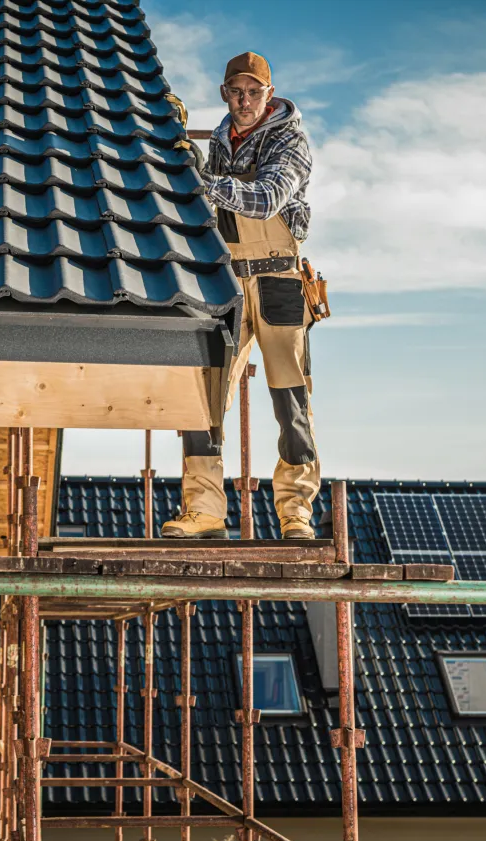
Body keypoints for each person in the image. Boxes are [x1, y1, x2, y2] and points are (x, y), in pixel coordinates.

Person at [162, 52, 318, 540]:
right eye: (236, 91)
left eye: (254, 92)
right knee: (202, 392)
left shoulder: (291, 140)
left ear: (269, 95)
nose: (245, 100)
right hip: (228, 279)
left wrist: (202, 180)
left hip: (278, 281)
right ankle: (204, 509)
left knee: (289, 400)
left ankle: (296, 513)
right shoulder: (220, 143)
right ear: (224, 93)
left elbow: (267, 197)